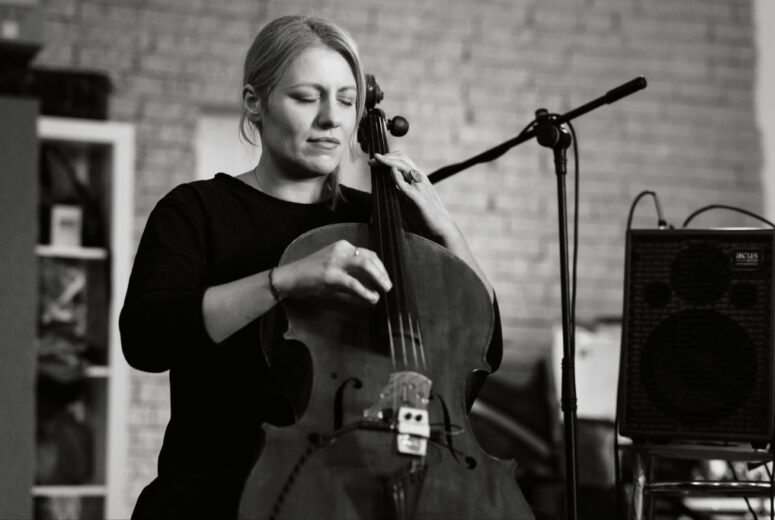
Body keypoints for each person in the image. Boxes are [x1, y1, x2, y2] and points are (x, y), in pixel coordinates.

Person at [120, 14, 501, 519]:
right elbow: (147, 339)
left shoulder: (380, 222)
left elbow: (480, 350)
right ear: (254, 103)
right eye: (306, 98)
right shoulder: (194, 211)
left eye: (346, 100)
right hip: (213, 499)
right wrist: (284, 281)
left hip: (351, 497)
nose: (332, 119)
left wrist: (447, 231)